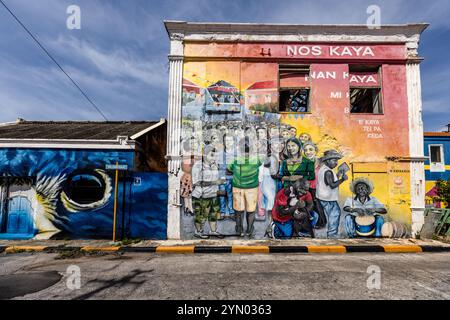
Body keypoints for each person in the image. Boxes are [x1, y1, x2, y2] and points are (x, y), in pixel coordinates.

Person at [227, 137, 262, 237]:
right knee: (251, 210)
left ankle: (239, 229)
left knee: (238, 210)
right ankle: (249, 229)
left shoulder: (235, 159)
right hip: (252, 188)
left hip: (238, 187)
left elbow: (229, 169)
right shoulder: (257, 159)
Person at [191, 146, 224, 239]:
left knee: (213, 215)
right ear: (204, 155)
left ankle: (213, 231)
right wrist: (215, 182)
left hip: (213, 194)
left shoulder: (214, 165)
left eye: (215, 156)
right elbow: (197, 182)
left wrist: (220, 181)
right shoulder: (198, 166)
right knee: (201, 215)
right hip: (201, 196)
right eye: (212, 155)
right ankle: (198, 232)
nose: (214, 158)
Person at [316, 150, 348, 238]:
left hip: (323, 197)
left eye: (337, 161)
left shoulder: (325, 169)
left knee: (332, 214)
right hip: (328, 199)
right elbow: (332, 185)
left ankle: (331, 233)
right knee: (334, 215)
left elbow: (329, 181)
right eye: (334, 160)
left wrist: (337, 175)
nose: (336, 163)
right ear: (327, 161)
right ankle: (332, 234)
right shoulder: (328, 172)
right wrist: (342, 180)